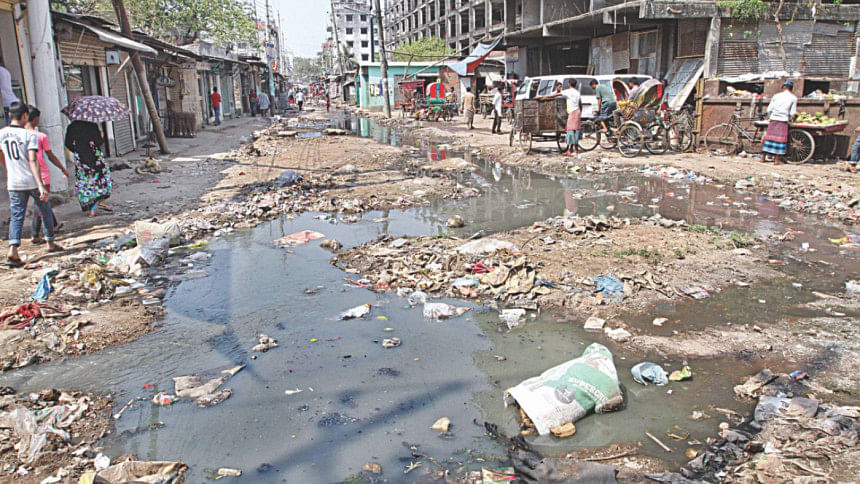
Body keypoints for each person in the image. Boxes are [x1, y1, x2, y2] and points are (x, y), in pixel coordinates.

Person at [0, 102, 60, 267]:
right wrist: (40, 184)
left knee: (17, 215)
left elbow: (2, 156)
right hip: (31, 180)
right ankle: (50, 243)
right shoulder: (29, 135)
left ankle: (13, 249)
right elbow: (33, 160)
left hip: (14, 181)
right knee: (44, 209)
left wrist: (9, 169)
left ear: (10, 115)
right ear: (25, 116)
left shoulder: (2, 134)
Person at [26, 106, 67, 243]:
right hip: (41, 174)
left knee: (42, 202)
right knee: (40, 203)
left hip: (24, 174)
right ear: (36, 118)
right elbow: (50, 156)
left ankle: (54, 224)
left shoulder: (19, 135)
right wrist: (62, 168)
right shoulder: (40, 136)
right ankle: (35, 233)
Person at [65, 119, 112, 217]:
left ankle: (99, 203)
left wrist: (77, 150)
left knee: (86, 182)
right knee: (98, 181)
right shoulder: (92, 125)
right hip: (95, 157)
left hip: (81, 159)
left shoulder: (72, 127)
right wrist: (102, 135)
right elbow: (99, 142)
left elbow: (68, 143)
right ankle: (93, 208)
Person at [762, 80, 798, 165]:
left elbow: (769, 109)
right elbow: (792, 112)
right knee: (780, 140)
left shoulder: (776, 96)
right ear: (791, 88)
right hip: (783, 120)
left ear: (784, 87)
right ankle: (776, 160)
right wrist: (791, 119)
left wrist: (771, 116)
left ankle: (763, 158)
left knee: (769, 138)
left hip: (773, 119)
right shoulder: (793, 98)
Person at [542, 81, 582, 156]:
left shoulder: (568, 91)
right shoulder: (577, 93)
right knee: (575, 131)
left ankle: (573, 151)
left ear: (569, 84)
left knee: (570, 132)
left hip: (572, 113)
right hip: (577, 112)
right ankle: (573, 150)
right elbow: (580, 103)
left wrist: (543, 97)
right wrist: (580, 112)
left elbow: (555, 95)